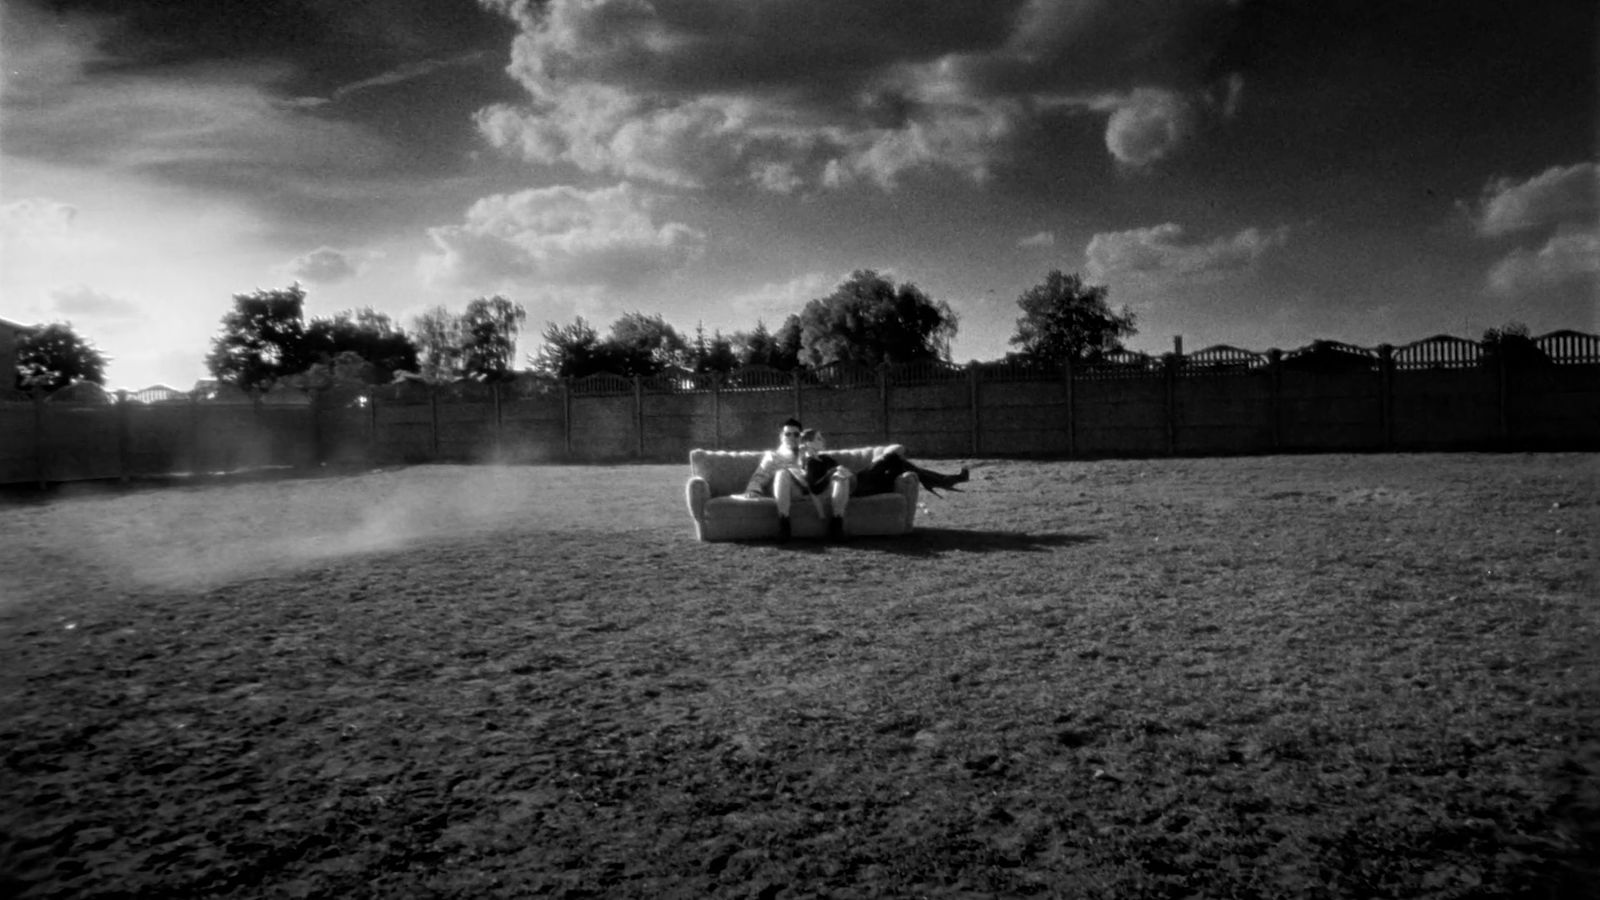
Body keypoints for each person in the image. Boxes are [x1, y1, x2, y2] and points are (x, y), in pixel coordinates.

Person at [798, 428, 969, 541]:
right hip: (853, 486)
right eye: (819, 438)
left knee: (897, 463)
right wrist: (833, 472)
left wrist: (840, 468)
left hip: (860, 482)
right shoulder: (810, 462)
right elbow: (815, 487)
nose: (823, 441)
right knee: (891, 458)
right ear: (808, 443)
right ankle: (943, 481)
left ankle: (943, 481)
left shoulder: (824, 458)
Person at [740, 417, 810, 540]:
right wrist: (753, 490)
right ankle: (784, 521)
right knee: (782, 473)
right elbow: (761, 474)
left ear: (801, 437)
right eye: (788, 434)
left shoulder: (808, 453)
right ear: (781, 437)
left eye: (796, 434)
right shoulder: (773, 456)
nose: (792, 437)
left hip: (804, 491)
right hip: (782, 491)